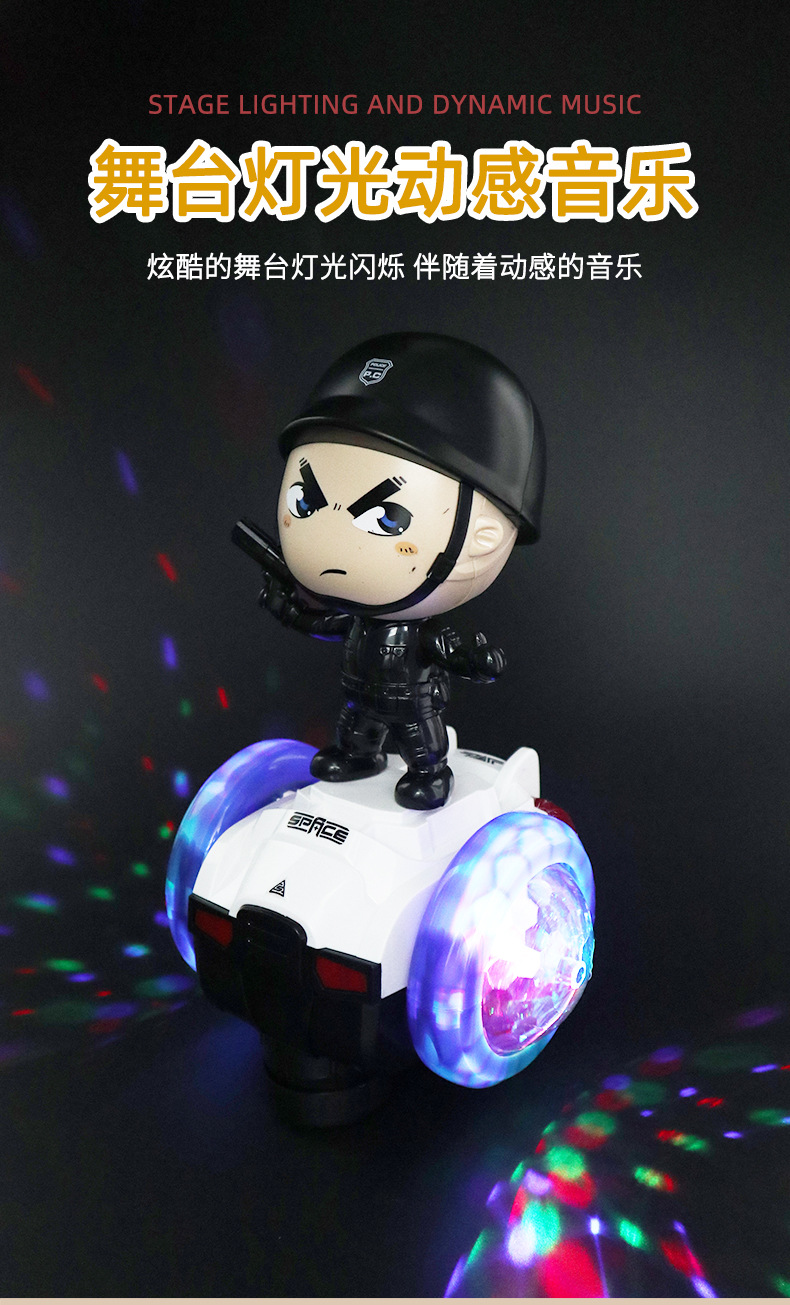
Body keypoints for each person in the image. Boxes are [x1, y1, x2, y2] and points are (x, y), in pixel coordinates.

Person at [257, 331, 546, 810]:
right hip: (360, 694)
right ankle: (358, 756)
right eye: (304, 503)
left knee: (421, 741)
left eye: (386, 518)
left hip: (411, 699)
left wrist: (472, 661)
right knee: (355, 730)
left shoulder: (419, 632)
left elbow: (445, 650)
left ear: (485, 537)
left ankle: (429, 773)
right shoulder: (357, 619)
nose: (331, 538)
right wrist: (285, 608)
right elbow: (324, 624)